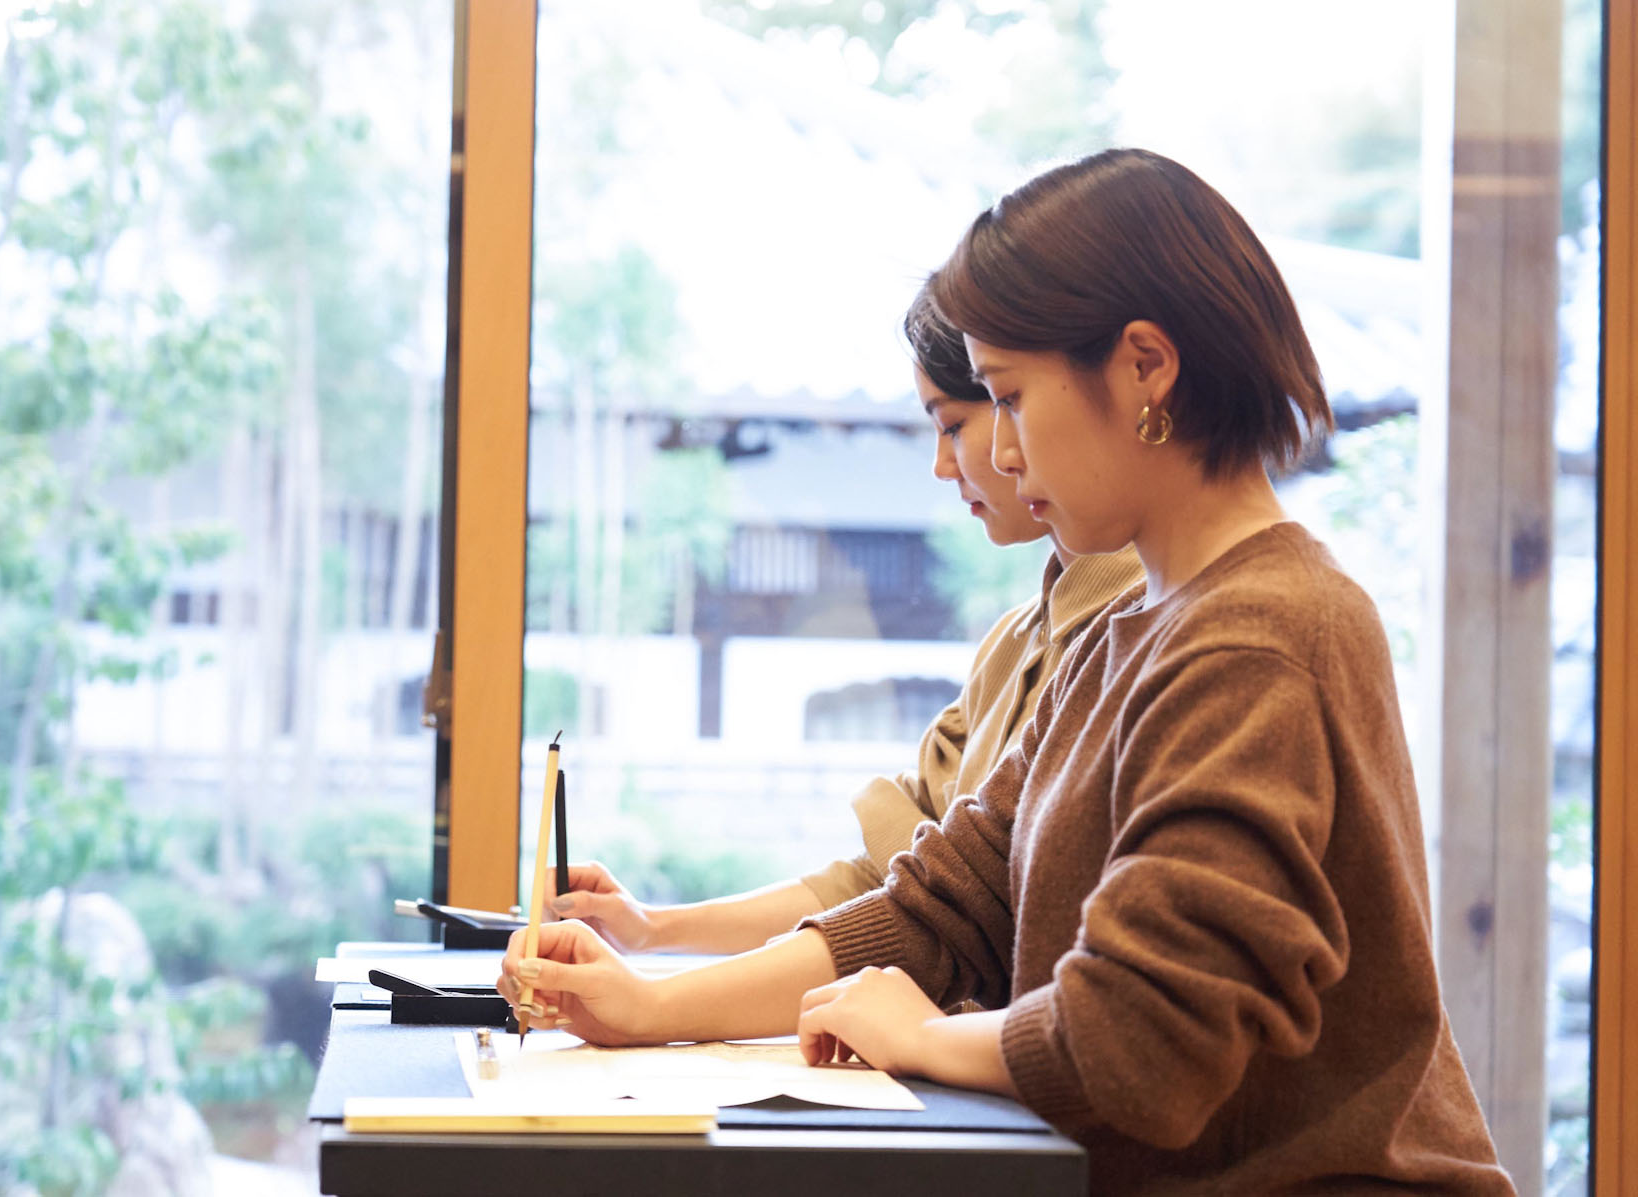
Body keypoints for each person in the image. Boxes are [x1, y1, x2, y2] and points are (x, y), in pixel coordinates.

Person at [501, 149, 1513, 1194]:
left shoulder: (1257, 637)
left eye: (1009, 397)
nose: (1001, 452)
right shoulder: (1135, 627)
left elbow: (1135, 1047)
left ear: (1144, 368)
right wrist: (650, 1006)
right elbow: (946, 903)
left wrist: (927, 1037)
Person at [545, 295, 1142, 956]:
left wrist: (653, 1000)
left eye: (961, 422)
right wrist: (653, 929)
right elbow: (885, 884)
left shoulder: (1143, 637)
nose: (954, 464)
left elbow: (949, 905)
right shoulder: (1015, 640)